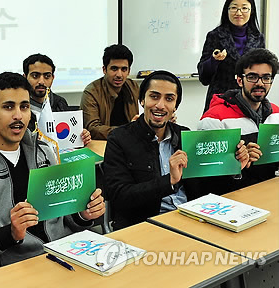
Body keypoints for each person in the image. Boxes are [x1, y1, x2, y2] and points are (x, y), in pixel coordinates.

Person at [0, 72, 105, 274]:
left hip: (61, 257)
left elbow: (61, 219)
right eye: (8, 107)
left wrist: (82, 214)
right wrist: (9, 233)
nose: (18, 115)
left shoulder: (44, 152)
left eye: (24, 107)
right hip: (9, 269)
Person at [104, 71, 249, 230]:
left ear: (175, 106)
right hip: (146, 226)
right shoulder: (119, 139)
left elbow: (206, 189)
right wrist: (169, 181)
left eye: (169, 99)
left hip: (191, 219)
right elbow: (119, 196)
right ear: (142, 100)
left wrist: (233, 168)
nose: (160, 105)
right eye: (154, 96)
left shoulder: (183, 135)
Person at [199, 48, 279, 188]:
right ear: (240, 80)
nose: (260, 83)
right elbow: (204, 181)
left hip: (269, 193)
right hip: (232, 200)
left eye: (266, 78)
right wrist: (236, 164)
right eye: (252, 77)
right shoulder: (215, 119)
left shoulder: (276, 113)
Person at [197, 0, 264, 112]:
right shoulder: (215, 35)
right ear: (227, 11)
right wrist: (214, 61)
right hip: (221, 101)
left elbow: (262, 72)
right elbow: (204, 77)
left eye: (244, 8)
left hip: (249, 101)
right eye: (234, 8)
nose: (239, 12)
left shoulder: (258, 38)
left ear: (251, 11)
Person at [23, 53, 91, 145]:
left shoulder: (59, 102)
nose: (41, 82)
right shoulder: (20, 107)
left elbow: (67, 135)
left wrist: (82, 136)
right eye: (35, 76)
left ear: (53, 78)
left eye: (47, 76)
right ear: (25, 77)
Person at [80, 44, 140, 140]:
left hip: (131, 142)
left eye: (124, 69)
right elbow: (93, 129)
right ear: (104, 69)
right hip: (106, 143)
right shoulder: (91, 92)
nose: (119, 75)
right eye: (114, 69)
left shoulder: (134, 87)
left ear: (129, 71)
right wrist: (128, 131)